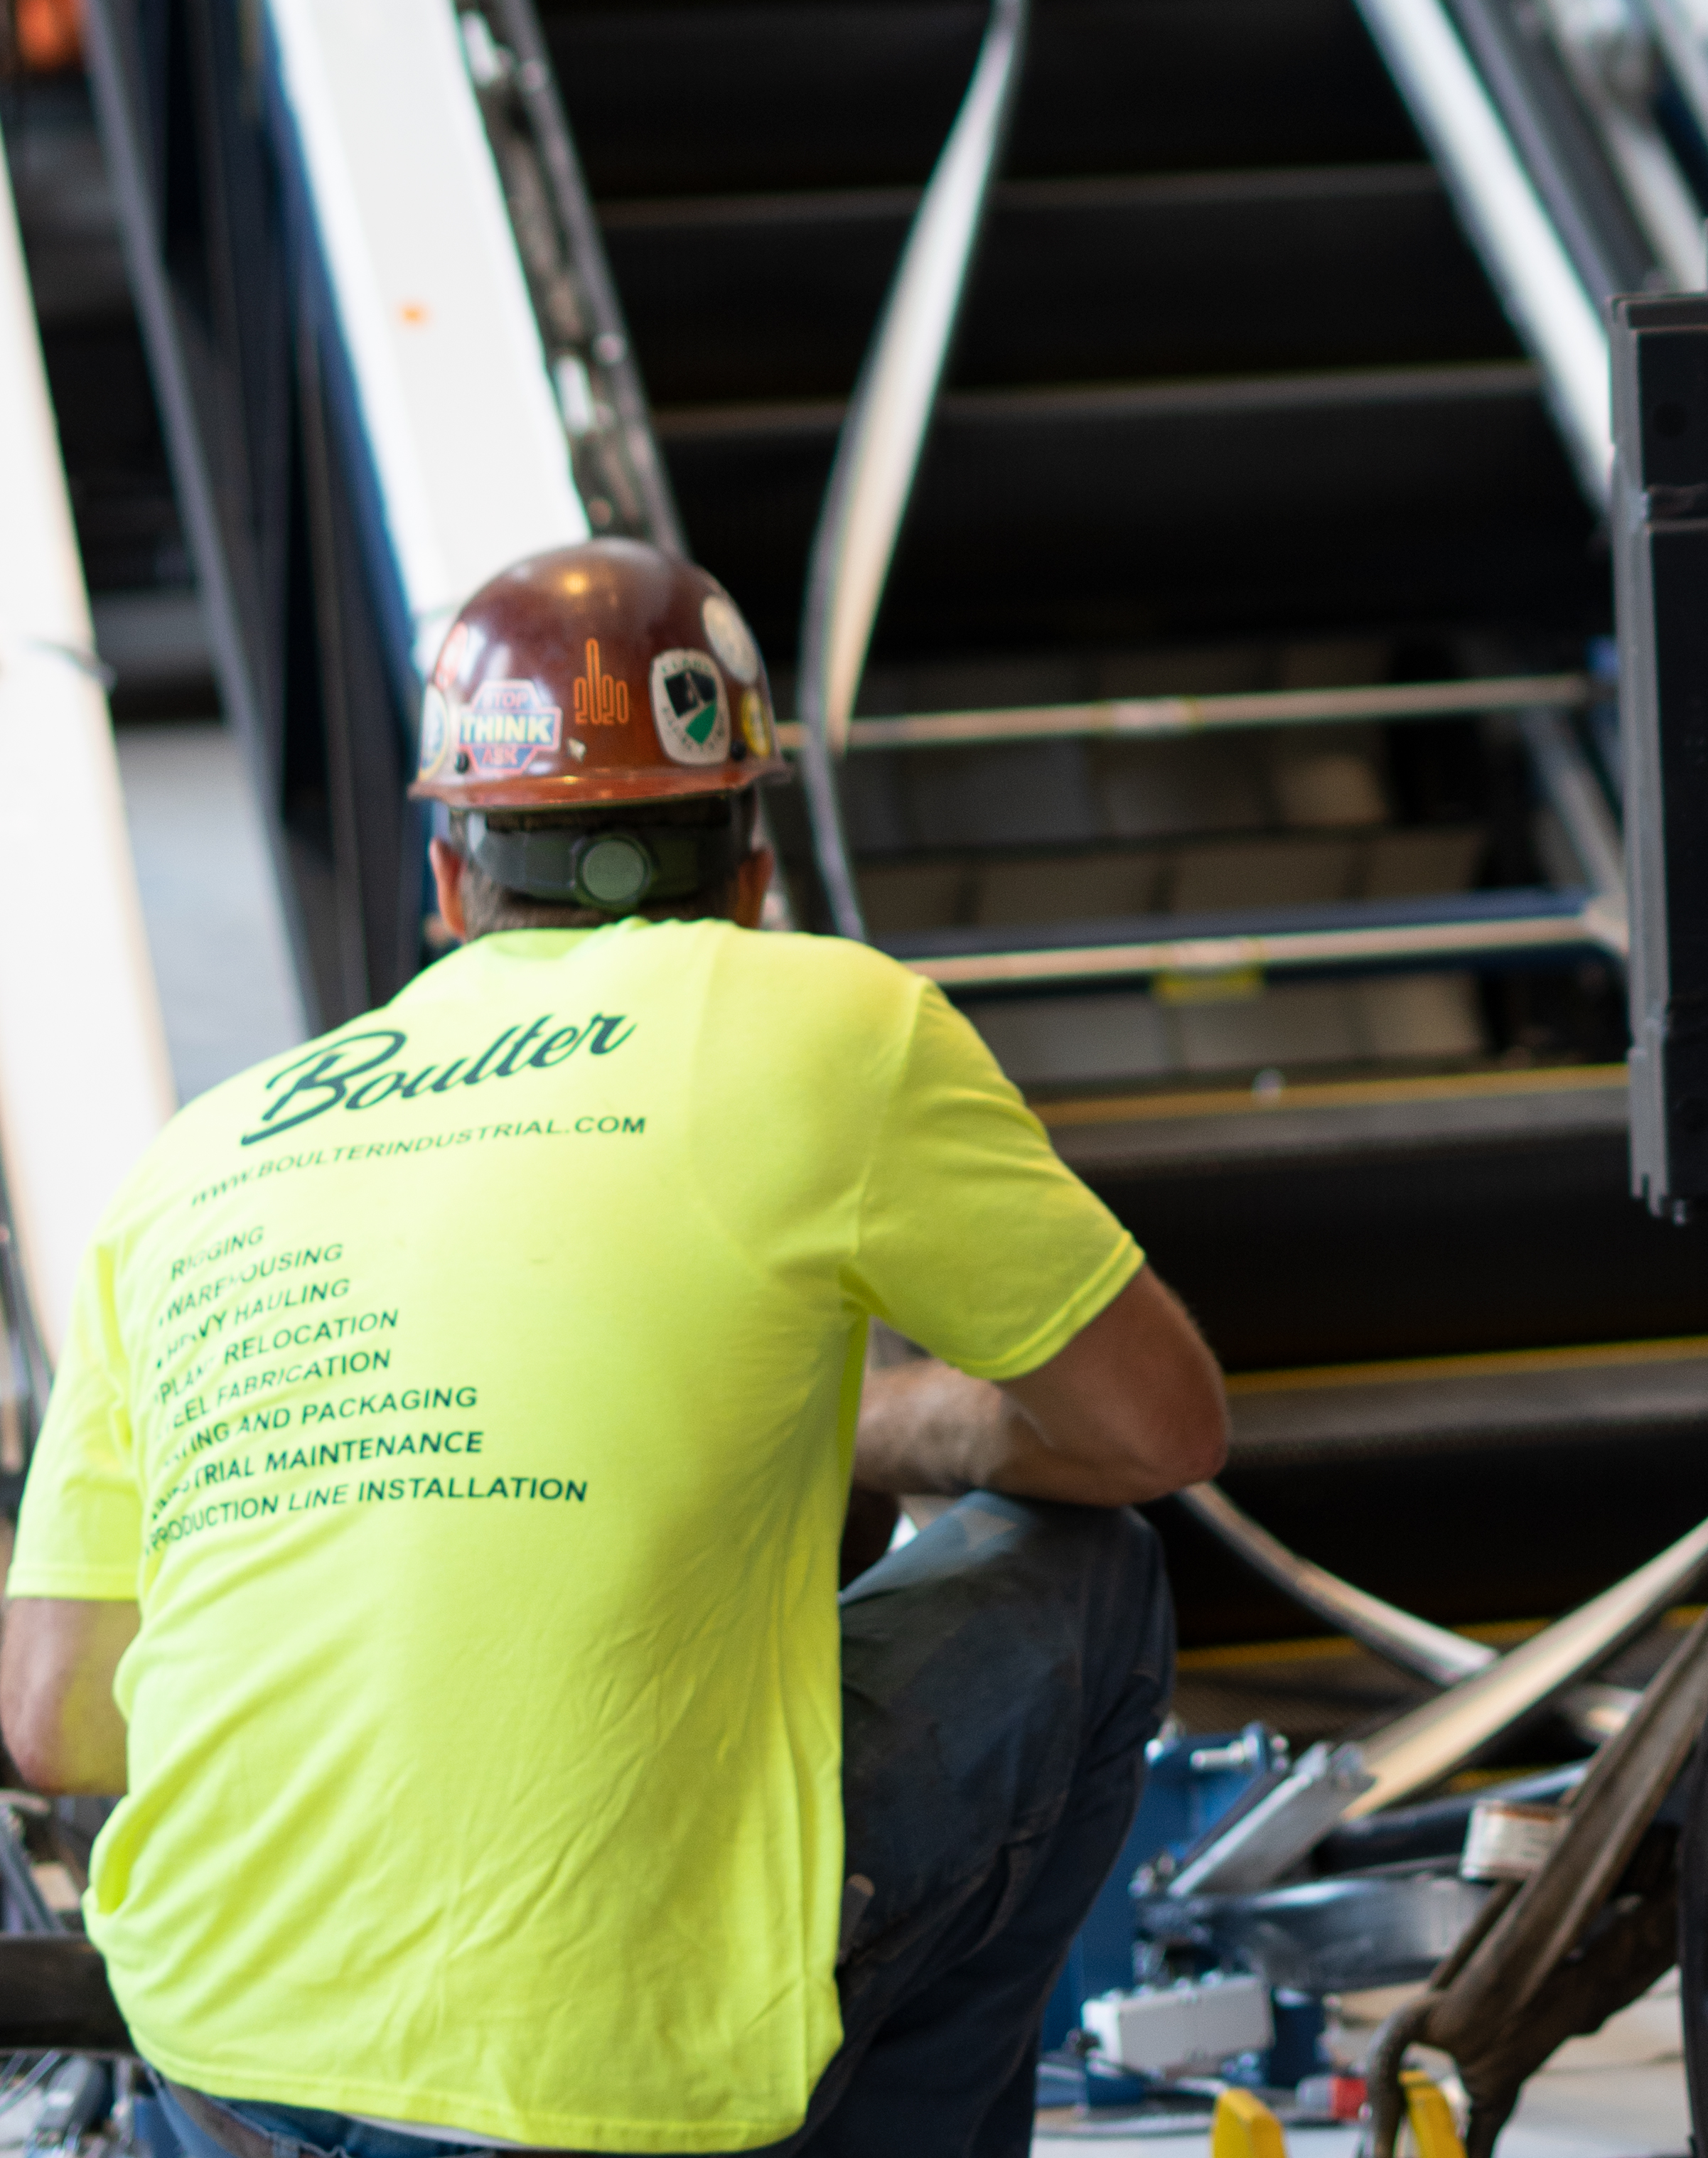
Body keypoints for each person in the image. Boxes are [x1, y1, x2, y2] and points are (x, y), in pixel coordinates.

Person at [0, 539, 1228, 2158]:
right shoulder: (829, 1024)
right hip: (606, 2091)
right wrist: (893, 1428)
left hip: (224, 2076)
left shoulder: (197, 1156)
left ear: (451, 880)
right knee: (1090, 1573)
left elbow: (59, 1719)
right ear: (752, 876)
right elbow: (1159, 1430)